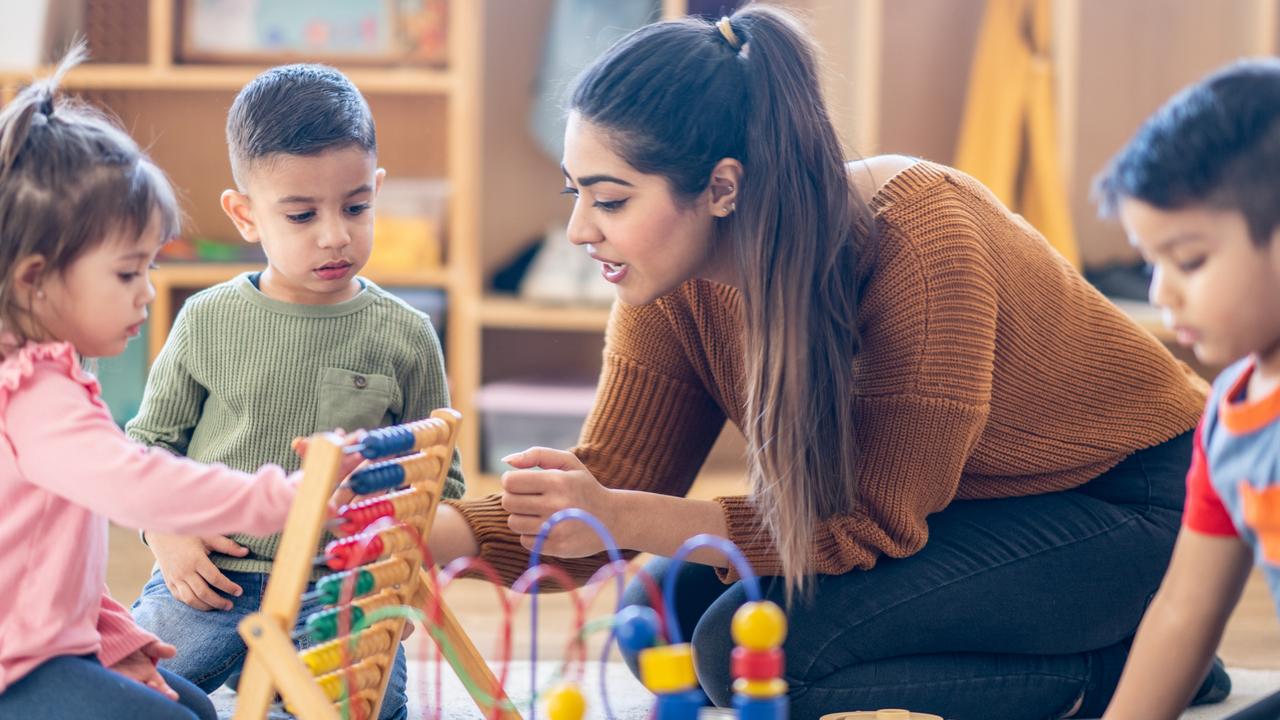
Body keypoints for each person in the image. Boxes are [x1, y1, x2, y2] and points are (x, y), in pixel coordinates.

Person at [424, 7, 1228, 719]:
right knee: (662, 621)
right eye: (576, 195)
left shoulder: (921, 241)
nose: (579, 231)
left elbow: (868, 523)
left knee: (754, 660)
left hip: (1140, 502)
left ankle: (1126, 669)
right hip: (968, 503)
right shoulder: (669, 284)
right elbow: (607, 488)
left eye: (610, 200)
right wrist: (439, 534)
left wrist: (622, 514)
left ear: (722, 188)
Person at [126, 64, 463, 720]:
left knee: (348, 712)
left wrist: (388, 572)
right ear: (245, 215)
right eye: (302, 214)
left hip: (341, 589)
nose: (334, 233)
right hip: (213, 576)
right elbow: (145, 445)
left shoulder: (407, 335)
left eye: (356, 206)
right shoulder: (206, 319)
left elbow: (438, 487)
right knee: (129, 695)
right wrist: (164, 532)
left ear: (377, 191)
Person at [0, 49, 324, 720]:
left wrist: (118, 638)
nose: (148, 294)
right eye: (126, 274)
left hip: (40, 645)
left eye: (150, 268)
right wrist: (283, 499)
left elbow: (42, 566)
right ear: (34, 278)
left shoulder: (39, 380)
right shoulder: (35, 393)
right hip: (17, 672)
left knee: (199, 710)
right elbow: (138, 484)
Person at [1099, 58, 1280, 720]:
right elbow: (1185, 608)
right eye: (1152, 262)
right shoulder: (1230, 415)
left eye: (1190, 261)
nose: (1160, 292)